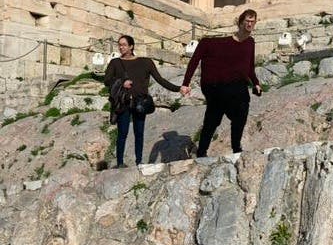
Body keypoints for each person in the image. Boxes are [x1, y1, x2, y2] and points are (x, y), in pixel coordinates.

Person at [180, 9, 261, 157]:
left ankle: (236, 147)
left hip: (237, 84)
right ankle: (202, 151)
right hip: (216, 85)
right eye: (247, 20)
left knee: (241, 111)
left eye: (252, 21)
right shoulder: (213, 43)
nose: (250, 24)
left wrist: (256, 83)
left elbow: (249, 66)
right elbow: (194, 60)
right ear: (240, 21)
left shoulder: (250, 42)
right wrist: (186, 83)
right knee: (213, 118)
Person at [104, 35, 180, 168]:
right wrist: (122, 82)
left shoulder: (146, 62)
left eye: (124, 45)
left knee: (139, 133)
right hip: (124, 102)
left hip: (140, 102)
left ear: (131, 46)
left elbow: (160, 80)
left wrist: (178, 88)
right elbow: (107, 80)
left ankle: (139, 161)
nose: (121, 47)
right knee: (122, 133)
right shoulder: (115, 63)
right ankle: (120, 162)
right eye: (119, 45)